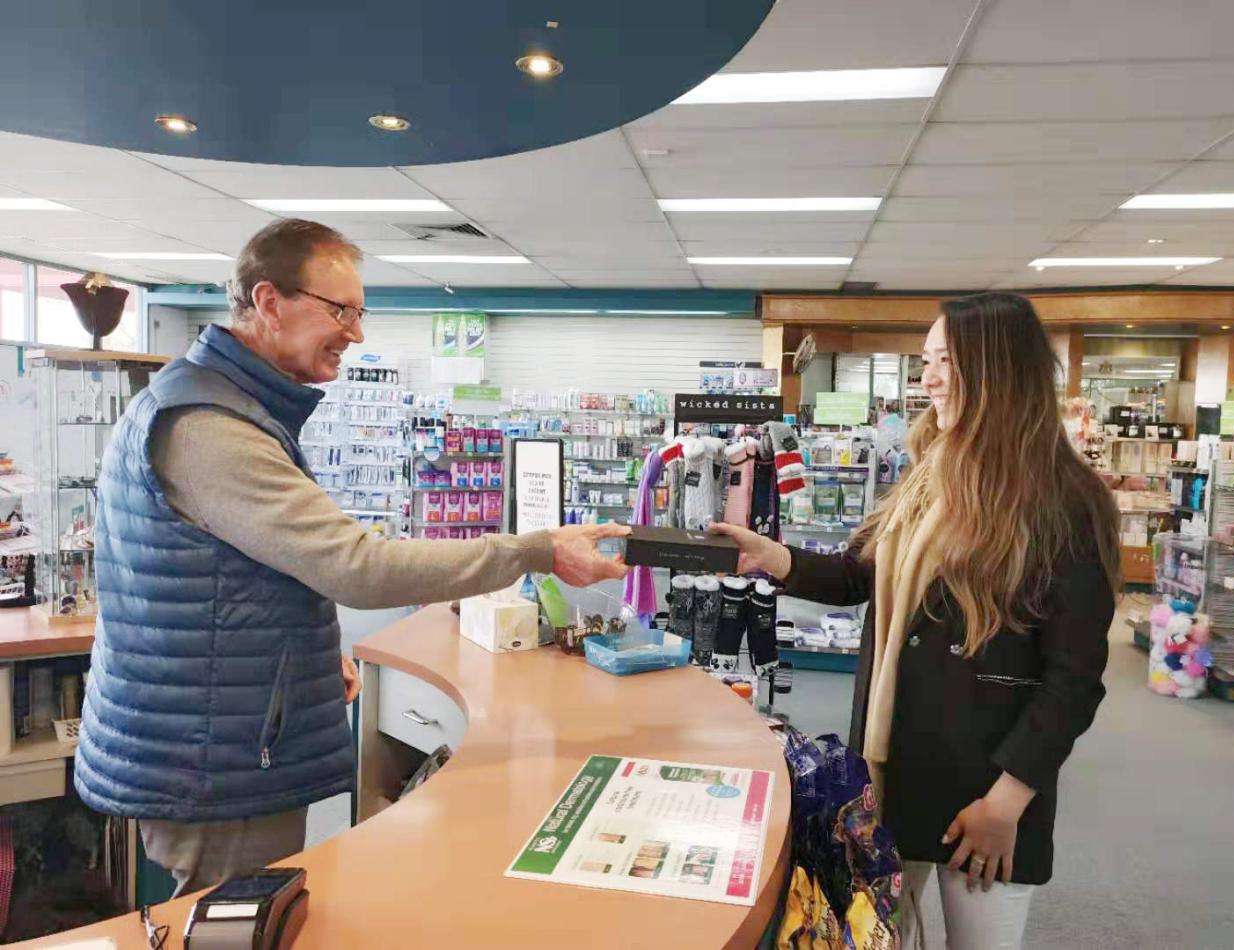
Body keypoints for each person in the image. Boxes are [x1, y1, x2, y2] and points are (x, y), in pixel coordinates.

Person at [73, 218, 628, 896]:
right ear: (270, 302)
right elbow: (357, 568)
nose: (355, 333)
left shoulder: (226, 406)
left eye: (360, 313)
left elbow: (227, 575)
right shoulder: (210, 427)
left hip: (220, 732)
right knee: (234, 923)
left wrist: (300, 653)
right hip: (216, 758)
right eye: (340, 310)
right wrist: (534, 550)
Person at [713, 292, 1118, 948]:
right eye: (925, 360)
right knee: (880, 936)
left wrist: (1006, 802)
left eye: (945, 361)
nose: (925, 377)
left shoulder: (1064, 500)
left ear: (996, 370)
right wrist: (774, 557)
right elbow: (859, 575)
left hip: (983, 785)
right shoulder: (929, 471)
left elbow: (1073, 677)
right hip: (893, 766)